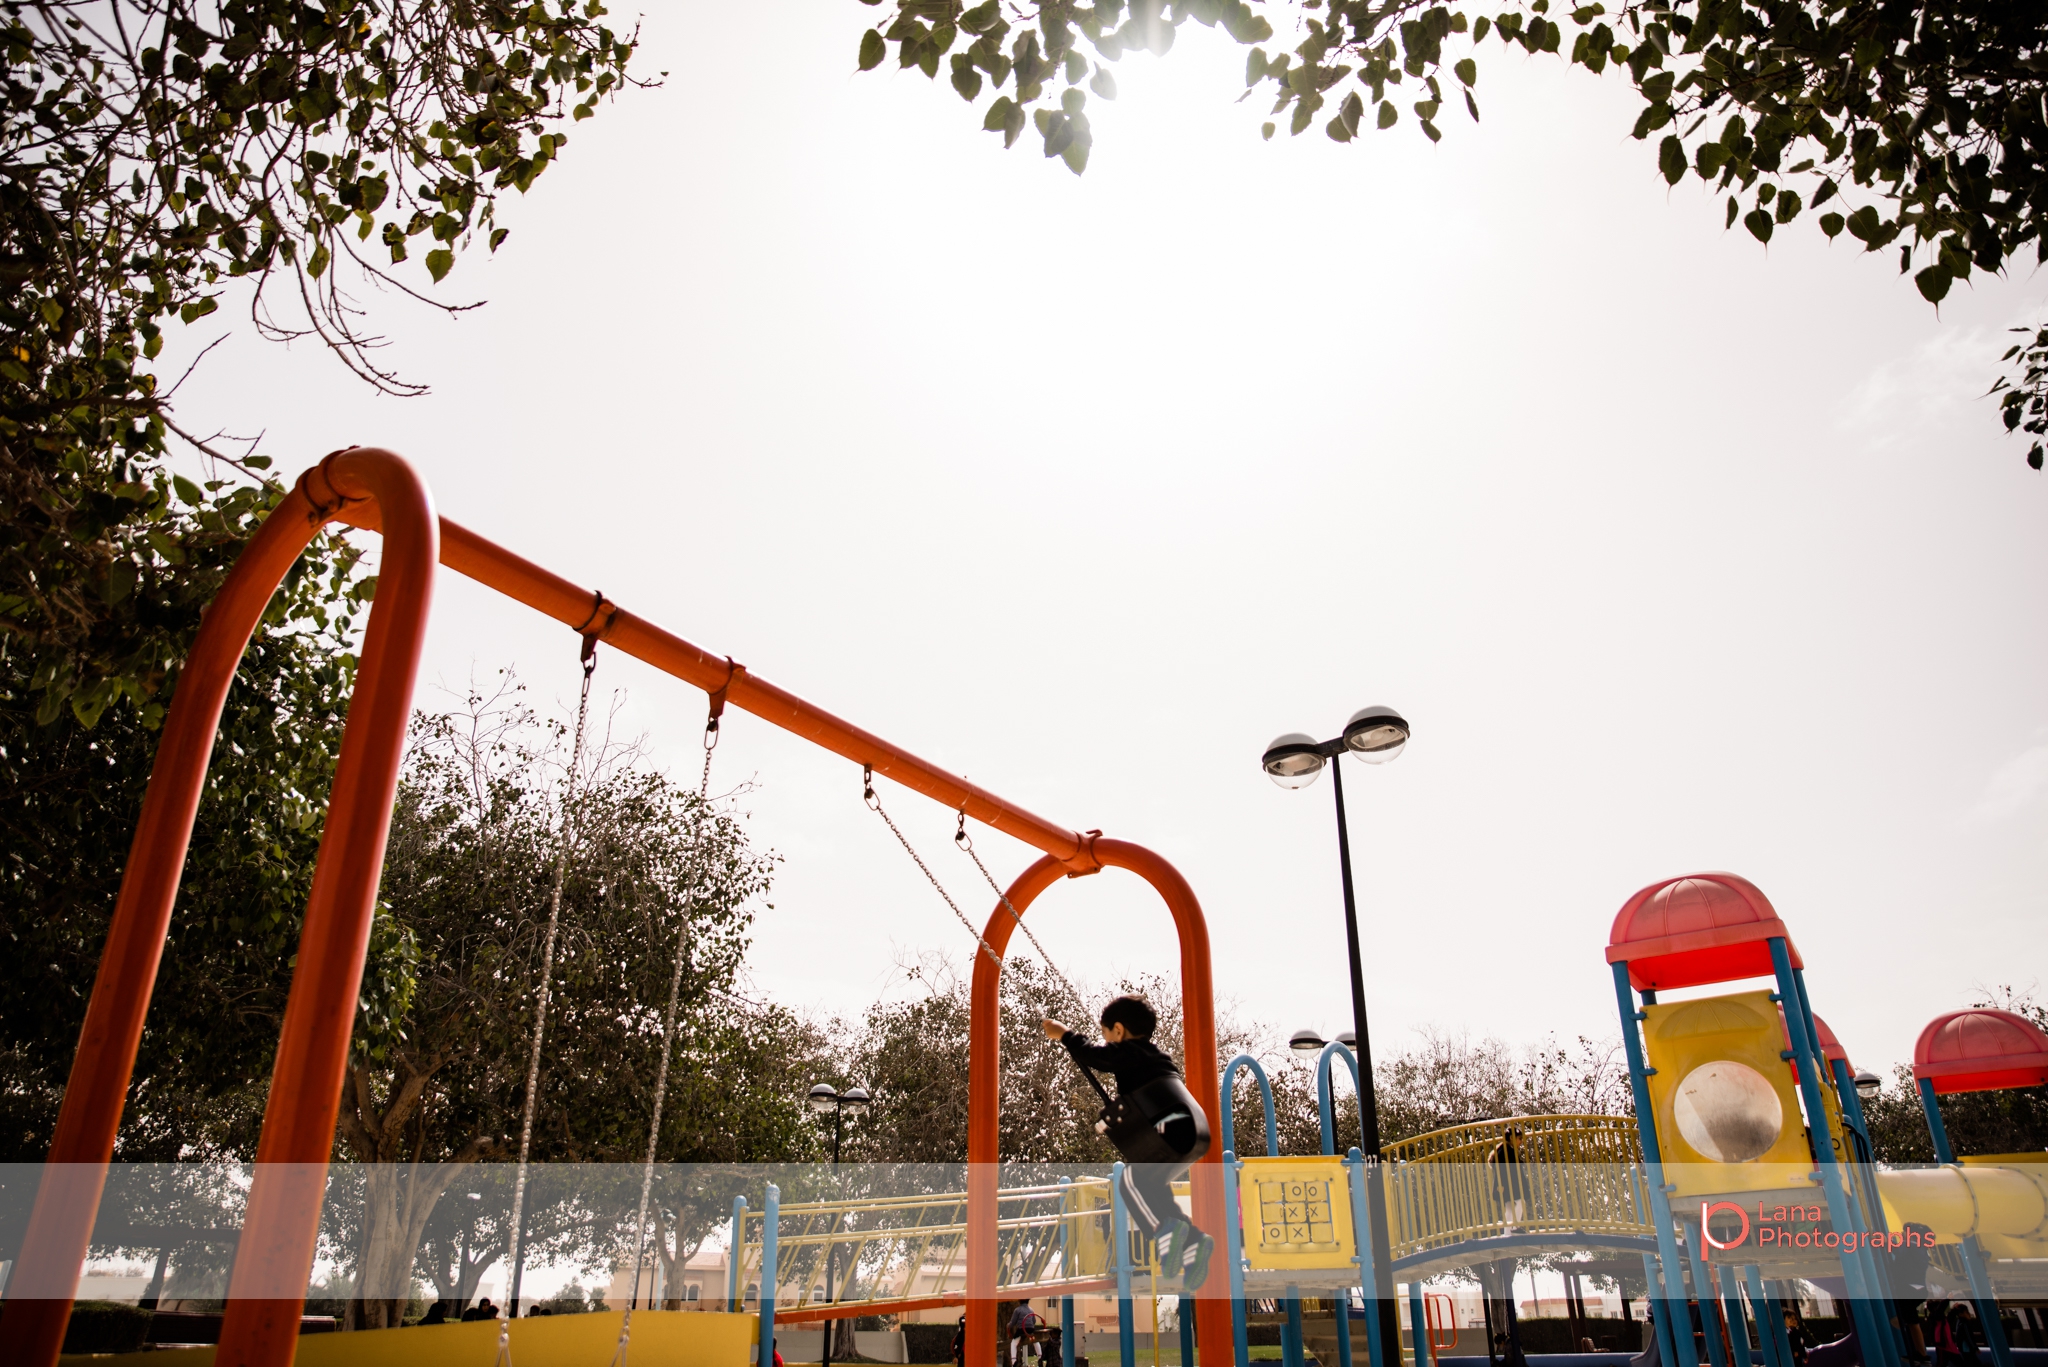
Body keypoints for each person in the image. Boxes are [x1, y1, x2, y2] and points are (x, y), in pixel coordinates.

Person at [1044, 995, 1214, 1288]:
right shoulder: (1153, 1056)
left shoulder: (1131, 1052)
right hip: (1192, 1133)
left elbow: (1098, 1058)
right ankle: (1193, 1244)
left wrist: (1065, 1035)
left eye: (1107, 1035)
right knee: (1150, 1185)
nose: (1106, 1042)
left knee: (1129, 1182)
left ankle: (1165, 1231)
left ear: (1119, 1031)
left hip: (1172, 1130)